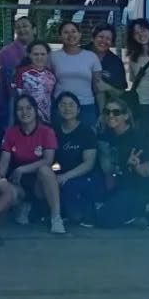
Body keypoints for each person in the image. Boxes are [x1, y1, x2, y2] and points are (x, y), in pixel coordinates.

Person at [0, 94, 65, 234]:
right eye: (20, 109)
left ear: (35, 110)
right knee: (5, 187)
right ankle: (21, 206)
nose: (24, 112)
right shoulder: (10, 133)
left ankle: (56, 217)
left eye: (28, 108)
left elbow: (48, 160)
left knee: (45, 170)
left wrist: (22, 169)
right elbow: (4, 163)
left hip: (40, 183)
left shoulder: (47, 131)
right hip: (19, 182)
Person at [95, 99, 149, 230]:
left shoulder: (139, 137)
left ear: (125, 116)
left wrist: (136, 165)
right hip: (116, 184)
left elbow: (147, 172)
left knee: (105, 219)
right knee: (93, 216)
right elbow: (106, 168)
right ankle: (127, 212)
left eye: (116, 112)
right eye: (107, 112)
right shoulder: (104, 136)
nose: (111, 116)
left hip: (137, 187)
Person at [53, 91, 100, 227]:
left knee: (75, 215)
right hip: (59, 176)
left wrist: (64, 177)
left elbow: (88, 164)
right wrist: (54, 174)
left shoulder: (86, 132)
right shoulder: (53, 131)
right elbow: (52, 161)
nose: (67, 108)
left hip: (82, 177)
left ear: (78, 110)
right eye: (63, 105)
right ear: (57, 110)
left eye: (71, 105)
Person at [50, 21, 103, 127]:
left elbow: (98, 88)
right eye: (66, 32)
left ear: (79, 34)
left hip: (86, 107)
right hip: (61, 107)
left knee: (87, 136)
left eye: (73, 31)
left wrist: (102, 112)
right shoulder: (52, 57)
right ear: (60, 36)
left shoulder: (91, 57)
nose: (70, 35)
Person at [125, 19, 149, 130]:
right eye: (136, 33)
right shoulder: (133, 57)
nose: (141, 35)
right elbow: (133, 81)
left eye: (143, 30)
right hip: (136, 104)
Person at [12, 41, 58, 123]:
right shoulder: (20, 73)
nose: (39, 57)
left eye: (43, 54)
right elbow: (15, 97)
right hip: (25, 117)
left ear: (47, 55)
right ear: (29, 55)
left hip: (46, 119)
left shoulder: (52, 75)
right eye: (36, 54)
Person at [91, 25, 127, 112]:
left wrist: (107, 87)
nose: (104, 41)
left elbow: (121, 92)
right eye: (101, 37)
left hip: (105, 109)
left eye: (108, 39)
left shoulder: (115, 62)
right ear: (93, 38)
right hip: (73, 105)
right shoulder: (80, 53)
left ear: (112, 42)